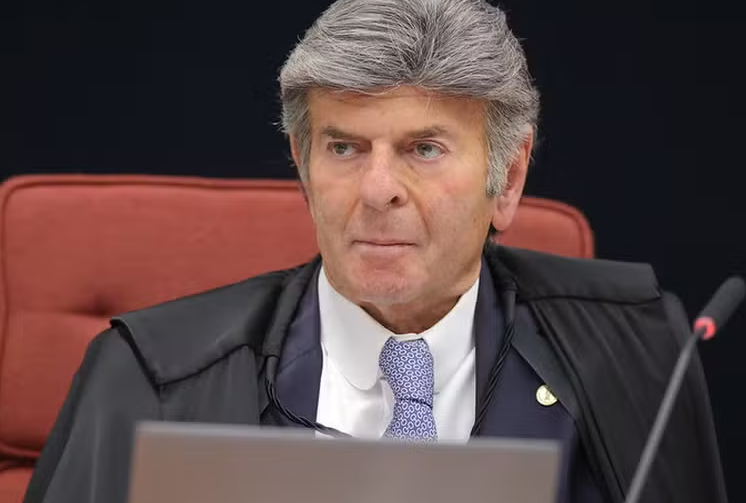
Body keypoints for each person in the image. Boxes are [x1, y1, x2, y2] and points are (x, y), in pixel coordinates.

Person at [23, 0, 727, 502]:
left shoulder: (639, 353)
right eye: (343, 148)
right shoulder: (149, 376)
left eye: (424, 148)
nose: (377, 188)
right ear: (303, 166)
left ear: (508, 178)